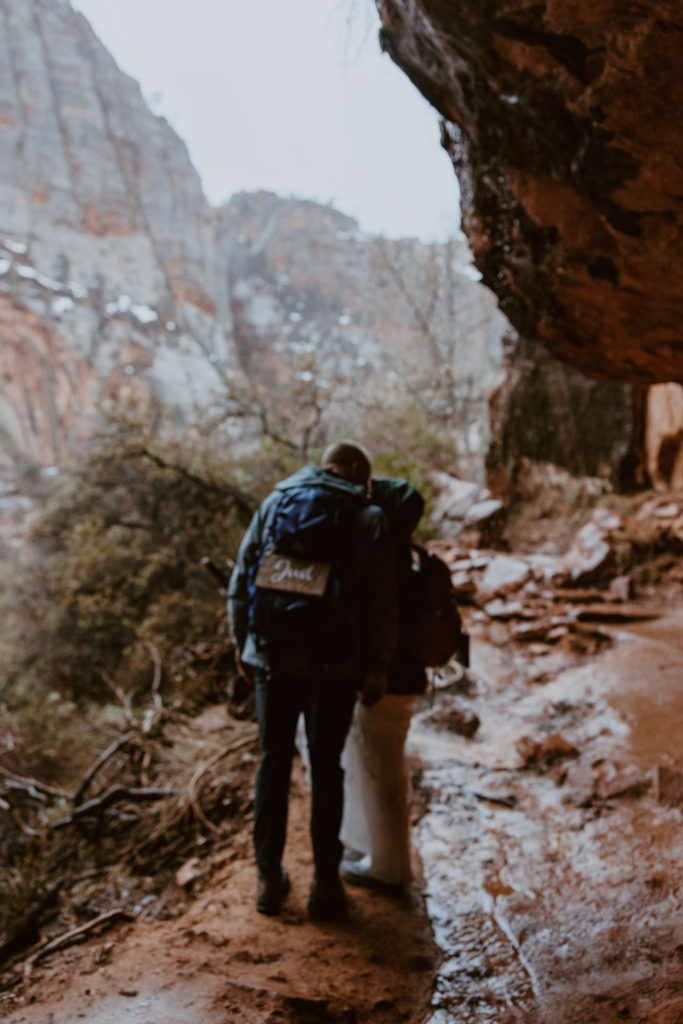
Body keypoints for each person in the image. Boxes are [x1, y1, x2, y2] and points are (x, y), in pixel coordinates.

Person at [227, 441, 397, 920]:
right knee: (326, 767)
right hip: (334, 668)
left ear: (323, 467)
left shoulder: (275, 502)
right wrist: (378, 665)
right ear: (359, 470)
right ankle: (325, 884)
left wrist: (243, 643)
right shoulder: (368, 518)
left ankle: (267, 880)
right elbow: (382, 602)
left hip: (273, 660)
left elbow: (242, 580)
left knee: (273, 762)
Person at [339, 476, 427, 894]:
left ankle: (388, 868)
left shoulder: (380, 558)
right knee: (386, 768)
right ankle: (379, 855)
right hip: (409, 679)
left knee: (383, 774)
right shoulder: (409, 555)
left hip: (386, 681)